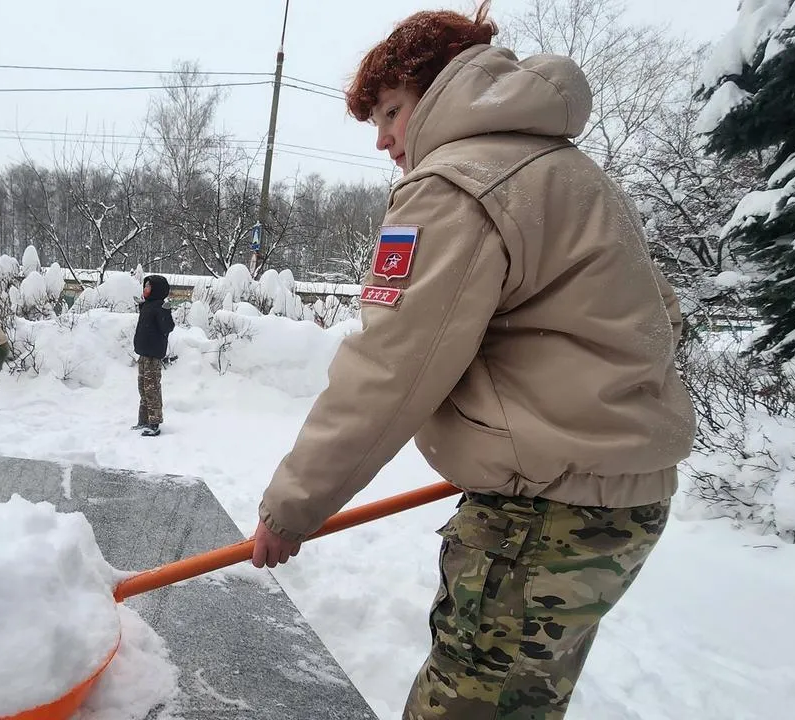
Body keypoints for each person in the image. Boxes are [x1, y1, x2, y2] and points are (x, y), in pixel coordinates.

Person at [249, 3, 697, 719]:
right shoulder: (573, 173)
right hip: (621, 507)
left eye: (391, 112)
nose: (384, 139)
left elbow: (391, 367)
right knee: (522, 701)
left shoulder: (454, 185)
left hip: (543, 516)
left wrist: (292, 507)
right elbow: (661, 317)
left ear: (438, 87)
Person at [133, 274, 174, 437]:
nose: (145, 289)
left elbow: (167, 328)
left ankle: (154, 423)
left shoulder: (160, 307)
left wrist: (166, 312)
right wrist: (142, 306)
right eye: (145, 286)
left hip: (153, 356)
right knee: (143, 388)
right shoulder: (148, 305)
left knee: (152, 389)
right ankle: (143, 420)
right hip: (143, 355)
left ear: (156, 289)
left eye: (149, 287)